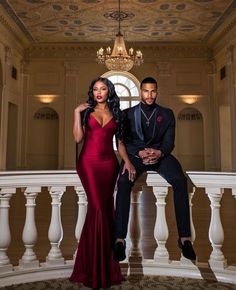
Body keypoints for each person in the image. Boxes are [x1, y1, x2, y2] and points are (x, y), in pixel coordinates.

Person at [113, 76, 196, 262]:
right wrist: (139, 153)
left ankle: (185, 239)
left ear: (156, 92)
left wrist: (158, 153)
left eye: (153, 91)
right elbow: (124, 142)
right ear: (140, 92)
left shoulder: (167, 114)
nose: (149, 95)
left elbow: (169, 143)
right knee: (124, 182)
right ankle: (119, 240)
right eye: (146, 91)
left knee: (180, 181)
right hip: (136, 156)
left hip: (161, 155)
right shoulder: (127, 114)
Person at [69, 77, 135, 290]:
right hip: (88, 163)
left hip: (109, 165)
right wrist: (76, 113)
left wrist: (126, 162)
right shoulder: (86, 112)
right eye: (95, 89)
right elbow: (78, 139)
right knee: (97, 208)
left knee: (106, 211)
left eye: (103, 88)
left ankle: (106, 269)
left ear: (109, 91)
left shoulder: (117, 114)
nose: (98, 92)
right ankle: (93, 270)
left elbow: (121, 143)